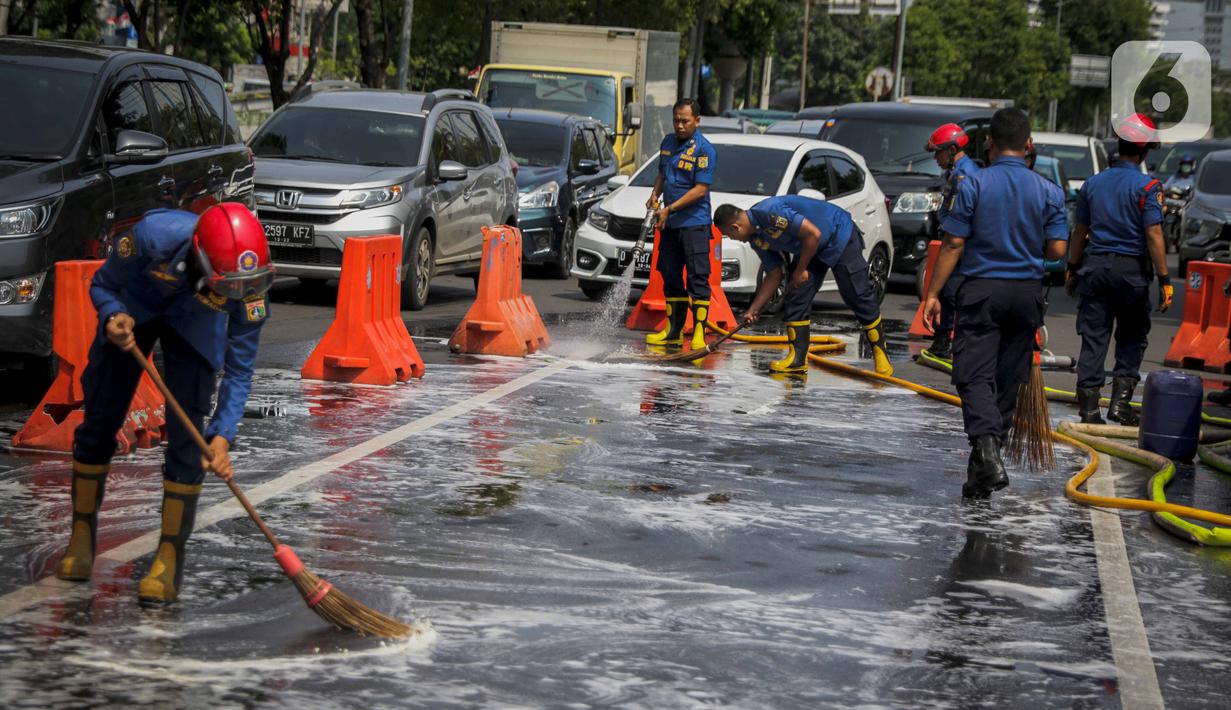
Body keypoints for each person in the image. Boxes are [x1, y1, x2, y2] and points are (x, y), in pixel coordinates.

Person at [55, 204, 274, 604]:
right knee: (100, 421)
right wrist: (112, 315)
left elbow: (240, 370)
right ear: (199, 260)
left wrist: (223, 433)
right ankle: (82, 534)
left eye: (245, 286)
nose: (238, 295)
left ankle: (170, 555)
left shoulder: (249, 286)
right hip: (134, 316)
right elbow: (103, 285)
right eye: (226, 286)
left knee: (190, 436)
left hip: (194, 327)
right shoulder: (150, 238)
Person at [923, 108, 1069, 499]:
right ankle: (982, 471)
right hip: (1026, 295)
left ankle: (987, 449)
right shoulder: (1049, 191)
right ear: (1029, 145)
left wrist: (934, 293)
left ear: (988, 144)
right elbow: (1057, 248)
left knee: (972, 374)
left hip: (982, 290)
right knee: (1008, 378)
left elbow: (954, 243)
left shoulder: (973, 184)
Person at [1065, 113, 1172, 426]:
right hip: (1132, 272)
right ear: (1144, 152)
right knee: (1131, 336)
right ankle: (1120, 406)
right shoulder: (1149, 186)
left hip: (1094, 268)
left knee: (1094, 336)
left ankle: (1088, 409)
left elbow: (1080, 231)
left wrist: (1072, 267)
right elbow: (1153, 234)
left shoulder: (1092, 184)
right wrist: (1165, 278)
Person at [714, 195, 892, 376]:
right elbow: (775, 274)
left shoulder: (769, 212)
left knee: (856, 294)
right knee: (796, 297)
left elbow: (813, 233)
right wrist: (754, 309)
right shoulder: (756, 239)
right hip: (810, 247)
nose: (734, 239)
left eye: (730, 235)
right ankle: (797, 359)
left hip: (837, 234)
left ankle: (881, 354)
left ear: (736, 226)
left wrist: (801, 270)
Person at [645, 98, 717, 350]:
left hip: (694, 223)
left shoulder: (704, 149)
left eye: (685, 121)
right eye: (676, 120)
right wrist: (654, 194)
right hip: (670, 222)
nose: (679, 125)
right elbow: (662, 174)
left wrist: (670, 208)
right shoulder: (667, 142)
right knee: (670, 274)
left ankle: (698, 332)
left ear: (697, 120)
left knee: (698, 277)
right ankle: (672, 330)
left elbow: (700, 189)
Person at [925, 123, 982, 360]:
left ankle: (950, 344)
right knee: (950, 292)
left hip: (961, 245)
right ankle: (944, 342)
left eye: (938, 152)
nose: (936, 158)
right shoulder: (956, 172)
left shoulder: (966, 175)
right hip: (955, 241)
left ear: (951, 149)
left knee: (952, 292)